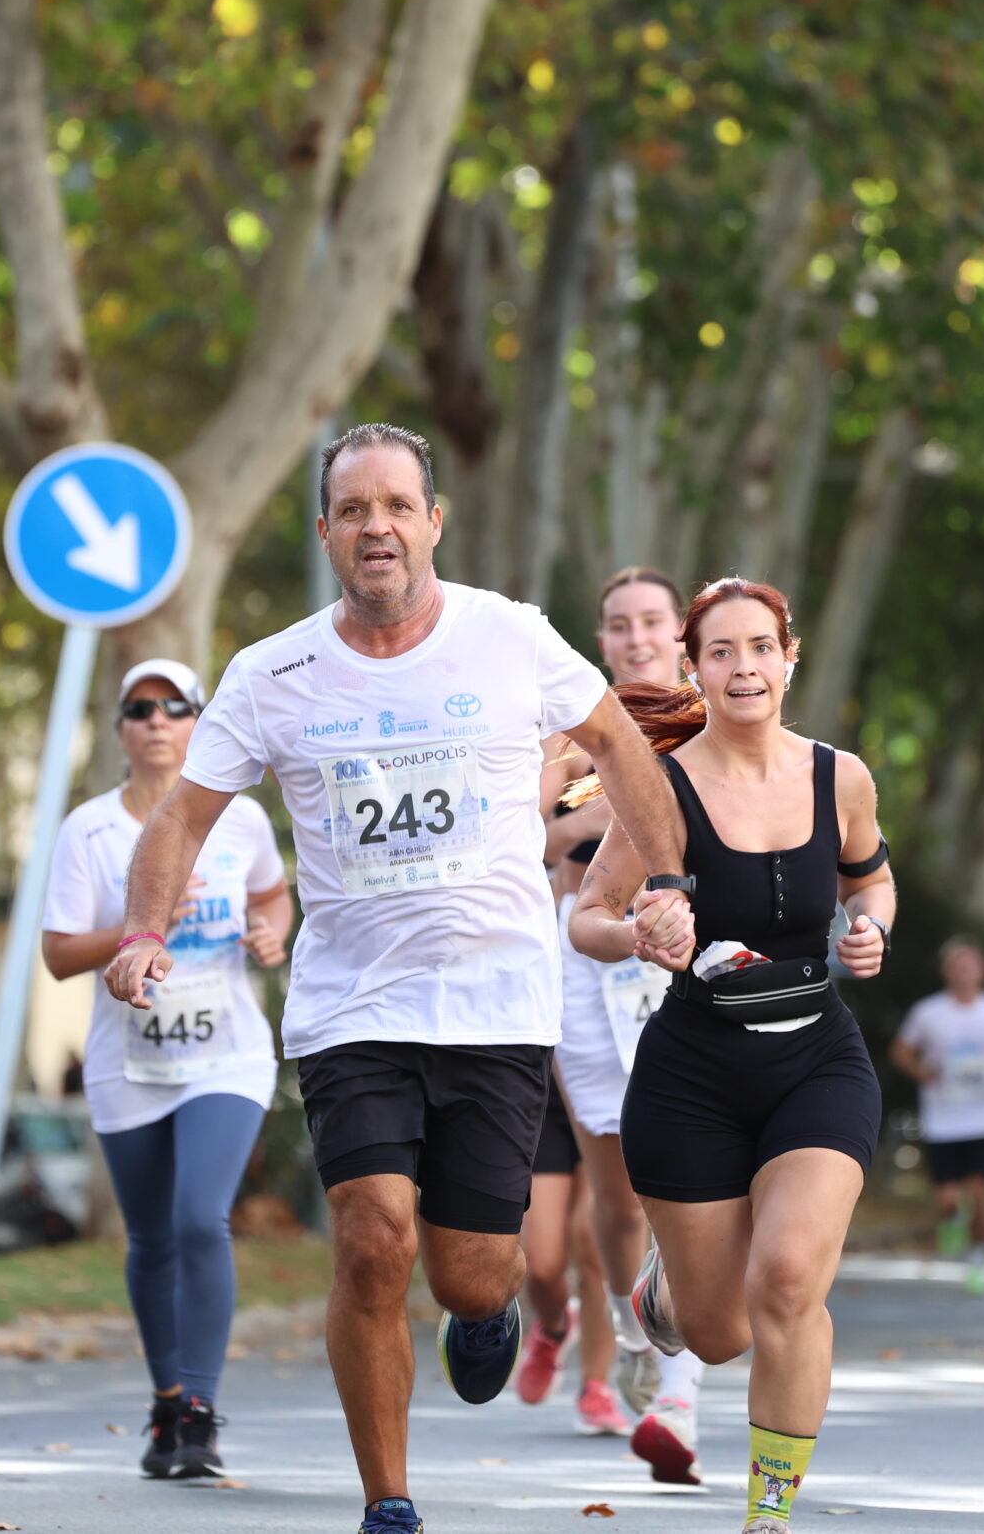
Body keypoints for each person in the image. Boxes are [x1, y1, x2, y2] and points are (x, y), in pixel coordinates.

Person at [104, 424, 693, 1534]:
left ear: (433, 523)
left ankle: (486, 1310)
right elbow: (183, 816)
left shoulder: (509, 636)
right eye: (353, 509)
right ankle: (388, 1501)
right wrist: (142, 931)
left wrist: (664, 881)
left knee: (473, 1274)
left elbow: (621, 746)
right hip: (352, 1006)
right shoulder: (270, 673)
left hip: (495, 1004)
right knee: (373, 1241)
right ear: (326, 532)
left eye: (396, 506)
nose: (376, 526)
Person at [568, 577, 894, 1534]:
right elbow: (588, 916)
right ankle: (665, 1290)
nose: (743, 667)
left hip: (816, 1062)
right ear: (694, 667)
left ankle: (769, 1512)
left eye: (760, 648)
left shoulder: (841, 777)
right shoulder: (661, 786)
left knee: (787, 1281)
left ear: (789, 659)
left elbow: (872, 882)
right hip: (692, 1076)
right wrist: (637, 933)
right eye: (721, 651)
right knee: (717, 1333)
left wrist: (871, 929)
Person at [41, 658, 293, 1480]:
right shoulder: (88, 830)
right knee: (150, 1238)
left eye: (175, 706)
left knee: (197, 1219)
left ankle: (200, 1411)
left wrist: (272, 931)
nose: (156, 719)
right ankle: (166, 1400)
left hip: (227, 1054)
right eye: (139, 707)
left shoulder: (240, 819)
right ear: (119, 728)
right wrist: (132, 925)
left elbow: (273, 895)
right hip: (131, 1060)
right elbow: (56, 953)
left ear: (200, 722)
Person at [541, 566, 708, 1482]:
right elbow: (529, 828)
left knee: (688, 1175)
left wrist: (596, 813)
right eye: (619, 624)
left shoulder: (717, 716)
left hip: (690, 953)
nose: (637, 637)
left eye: (652, 621)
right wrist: (605, 808)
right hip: (588, 960)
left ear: (681, 634)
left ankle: (680, 1393)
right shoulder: (573, 724)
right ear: (600, 639)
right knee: (615, 1195)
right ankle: (628, 1317)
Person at [890, 936, 984, 1293]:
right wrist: (922, 1072)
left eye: (970, 967)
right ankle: (952, 1218)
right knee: (948, 1199)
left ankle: (978, 1259)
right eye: (957, 967)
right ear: (946, 972)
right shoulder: (928, 1013)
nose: (964, 974)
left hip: (982, 1116)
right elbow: (901, 1051)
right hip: (942, 1117)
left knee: (979, 1193)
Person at [514, 1089, 628, 1436]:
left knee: (595, 1246)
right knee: (541, 1266)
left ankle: (596, 1387)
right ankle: (554, 1328)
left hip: (607, 1094)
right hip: (545, 1097)